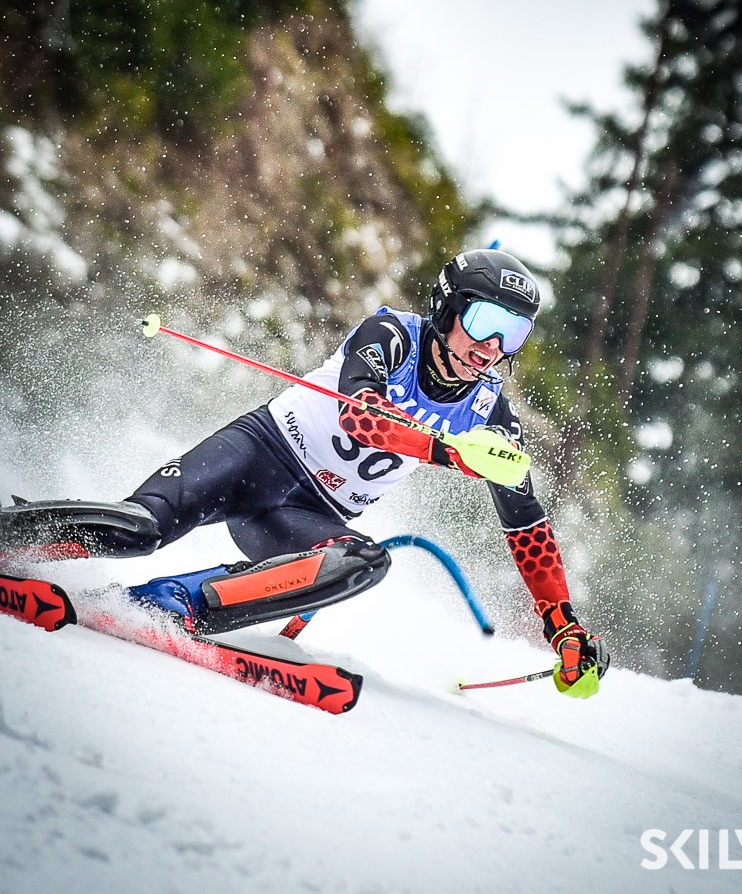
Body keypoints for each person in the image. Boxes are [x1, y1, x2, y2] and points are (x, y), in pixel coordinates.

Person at [0, 249, 609, 695]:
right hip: (256, 456)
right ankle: (13, 533)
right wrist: (450, 452)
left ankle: (172, 602)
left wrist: (562, 627)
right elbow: (359, 417)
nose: (493, 347)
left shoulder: (491, 415)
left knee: (363, 562)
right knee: (138, 529)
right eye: (482, 323)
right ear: (447, 309)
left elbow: (527, 526)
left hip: (304, 518)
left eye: (514, 333)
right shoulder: (391, 334)